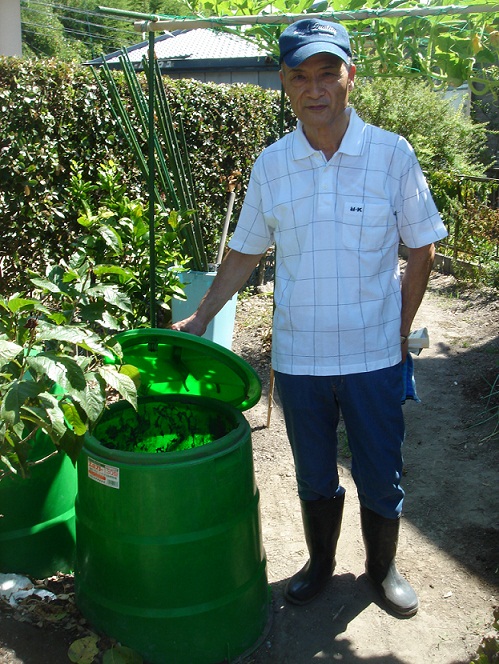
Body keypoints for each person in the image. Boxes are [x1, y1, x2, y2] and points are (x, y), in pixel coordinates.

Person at [172, 18, 448, 617]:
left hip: (375, 357)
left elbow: (421, 247)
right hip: (300, 360)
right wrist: (201, 317)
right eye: (300, 76)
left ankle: (382, 569)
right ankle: (321, 563)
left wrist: (399, 331)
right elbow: (244, 250)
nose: (314, 87)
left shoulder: (390, 154)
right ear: (284, 84)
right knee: (314, 471)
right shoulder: (272, 165)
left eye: (327, 72)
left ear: (351, 76)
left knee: (382, 470)